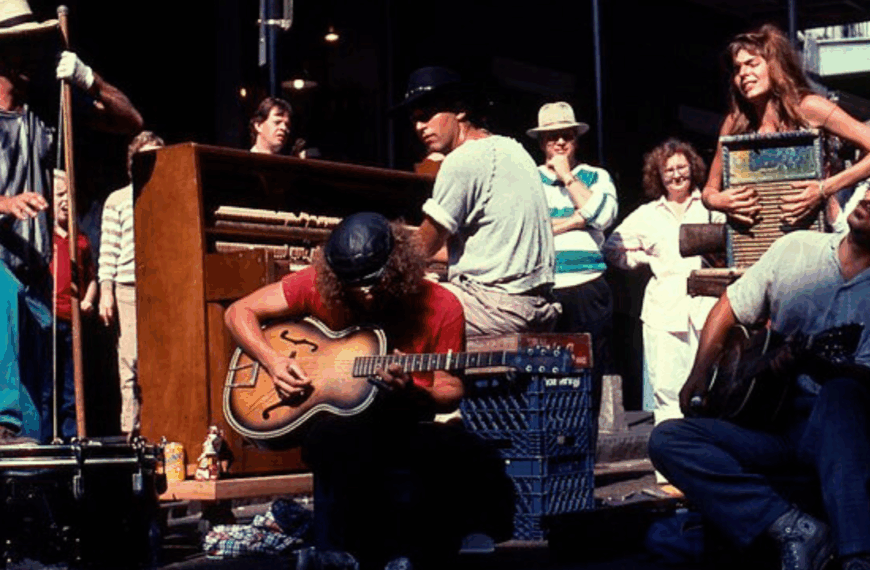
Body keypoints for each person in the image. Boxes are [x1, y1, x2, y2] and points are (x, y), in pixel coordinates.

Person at [224, 212, 514, 570]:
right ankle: (340, 551)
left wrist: (411, 392)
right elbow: (239, 312)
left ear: (399, 265)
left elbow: (450, 387)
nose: (364, 293)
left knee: (467, 454)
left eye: (374, 282)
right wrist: (272, 360)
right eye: (353, 285)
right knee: (329, 440)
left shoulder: (442, 306)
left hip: (406, 424)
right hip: (343, 429)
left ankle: (405, 552)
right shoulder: (317, 284)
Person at [648, 186, 870, 570]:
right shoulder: (797, 248)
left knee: (841, 395)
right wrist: (699, 374)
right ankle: (791, 527)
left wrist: (816, 365)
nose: (868, 199)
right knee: (669, 438)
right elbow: (729, 305)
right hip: (773, 422)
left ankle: (856, 556)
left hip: (843, 434)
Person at [0, 0, 143, 445]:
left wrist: (89, 80)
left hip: (36, 280)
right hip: (1, 272)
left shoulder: (47, 115)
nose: (29, 59)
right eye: (17, 48)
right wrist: (4, 203)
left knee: (39, 410)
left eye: (31, 46)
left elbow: (131, 121)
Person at [394, 66, 559, 337]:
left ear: (460, 110)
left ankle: (427, 381)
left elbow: (425, 244)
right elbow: (485, 250)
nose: (420, 127)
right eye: (414, 120)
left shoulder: (462, 159)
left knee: (385, 310)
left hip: (497, 310)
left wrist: (384, 259)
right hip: (539, 307)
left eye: (427, 115)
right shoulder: (513, 148)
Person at [603, 139, 725, 427]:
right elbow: (612, 248)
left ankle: (705, 461)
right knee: (666, 390)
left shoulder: (710, 206)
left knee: (711, 387)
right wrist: (643, 260)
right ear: (658, 175)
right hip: (663, 312)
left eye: (681, 167)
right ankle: (667, 467)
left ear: (692, 169)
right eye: (668, 170)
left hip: (707, 310)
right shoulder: (648, 214)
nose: (676, 175)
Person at [702, 24, 870, 229]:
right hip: (753, 244)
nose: (743, 73)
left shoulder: (808, 107)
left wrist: (824, 188)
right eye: (737, 69)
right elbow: (709, 189)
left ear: (774, 65)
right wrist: (717, 201)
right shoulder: (735, 122)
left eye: (752, 64)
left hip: (810, 239)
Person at [98, 130, 164, 438]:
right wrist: (106, 291)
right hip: (128, 287)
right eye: (144, 157)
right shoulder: (118, 200)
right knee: (131, 359)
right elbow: (107, 250)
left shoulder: (169, 196)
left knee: (162, 359)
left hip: (163, 287)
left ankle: (162, 426)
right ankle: (131, 431)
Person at [45, 169, 97, 440]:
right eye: (59, 195)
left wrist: (88, 301)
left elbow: (91, 279)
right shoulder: (43, 237)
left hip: (71, 320)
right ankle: (45, 437)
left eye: (69, 195)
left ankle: (71, 437)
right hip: (47, 319)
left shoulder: (81, 241)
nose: (65, 200)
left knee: (70, 385)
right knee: (47, 383)